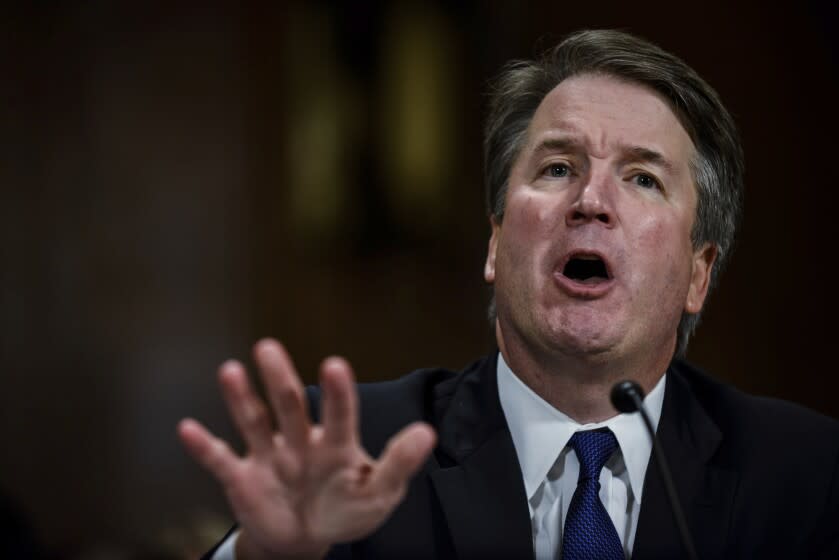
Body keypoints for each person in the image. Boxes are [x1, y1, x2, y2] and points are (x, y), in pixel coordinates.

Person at [178, 29, 839, 559]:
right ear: (494, 246)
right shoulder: (354, 454)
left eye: (641, 179)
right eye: (557, 167)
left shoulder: (803, 477)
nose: (589, 202)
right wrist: (271, 552)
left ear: (698, 273)